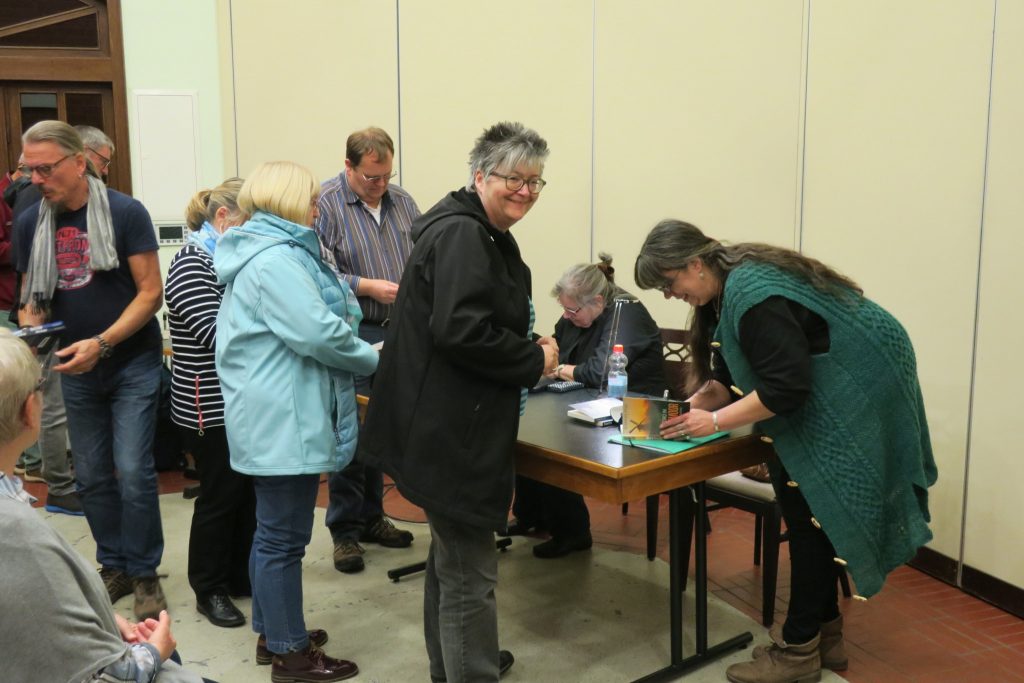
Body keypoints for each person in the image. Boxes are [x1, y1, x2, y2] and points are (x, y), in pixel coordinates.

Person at [634, 219, 937, 683]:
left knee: (811, 517)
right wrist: (689, 409)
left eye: (669, 283)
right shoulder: (724, 293)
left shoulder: (753, 294)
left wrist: (713, 423)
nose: (670, 295)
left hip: (862, 384)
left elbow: (785, 389)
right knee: (806, 518)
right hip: (821, 385)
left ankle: (797, 653)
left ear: (694, 264)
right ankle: (826, 639)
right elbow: (728, 380)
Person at [360, 122, 558, 683]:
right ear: (479, 176)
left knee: (450, 566)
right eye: (513, 179)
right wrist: (533, 359)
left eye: (536, 182)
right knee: (472, 573)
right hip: (452, 432)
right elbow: (462, 332)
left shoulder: (471, 229)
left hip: (440, 425)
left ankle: (452, 668)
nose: (525, 191)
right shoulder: (465, 235)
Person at [214, 160, 377, 682]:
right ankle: (290, 654)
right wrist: (376, 359)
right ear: (286, 201)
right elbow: (320, 334)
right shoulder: (277, 261)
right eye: (309, 198)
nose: (316, 207)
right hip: (285, 418)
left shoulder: (264, 252)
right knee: (283, 540)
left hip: (275, 414)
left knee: (272, 534)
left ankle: (272, 631)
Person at [14, 120, 167, 620]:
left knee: (133, 472)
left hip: (131, 361)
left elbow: (150, 292)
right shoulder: (30, 219)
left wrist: (102, 342)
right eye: (29, 168)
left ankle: (144, 574)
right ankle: (114, 564)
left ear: (79, 162)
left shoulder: (125, 212)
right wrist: (30, 335)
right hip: (73, 367)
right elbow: (31, 298)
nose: (36, 178)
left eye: (46, 168)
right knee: (94, 475)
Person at [0, 328, 208, 683]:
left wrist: (100, 621)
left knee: (130, 471)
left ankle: (139, 574)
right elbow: (112, 675)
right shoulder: (16, 533)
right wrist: (152, 652)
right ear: (30, 410)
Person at [314, 126, 421, 574]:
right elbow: (317, 271)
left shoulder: (404, 202)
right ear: (349, 167)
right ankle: (345, 532)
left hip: (400, 333)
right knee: (351, 434)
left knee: (384, 430)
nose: (380, 185)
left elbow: (423, 254)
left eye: (386, 175)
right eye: (371, 177)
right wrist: (365, 285)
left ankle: (375, 517)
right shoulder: (325, 204)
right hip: (354, 331)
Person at [511, 253, 666, 559]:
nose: (567, 316)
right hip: (584, 397)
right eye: (564, 309)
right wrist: (550, 348)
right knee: (523, 427)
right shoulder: (579, 312)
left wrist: (556, 368)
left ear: (597, 300)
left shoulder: (626, 312)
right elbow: (558, 342)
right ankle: (532, 516)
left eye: (572, 310)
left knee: (555, 439)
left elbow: (601, 372)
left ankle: (573, 532)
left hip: (636, 410)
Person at [165, 179, 256, 629]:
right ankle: (209, 588)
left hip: (236, 398)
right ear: (223, 219)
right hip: (207, 403)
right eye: (249, 223)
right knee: (220, 497)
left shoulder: (223, 259)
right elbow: (221, 338)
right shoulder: (191, 264)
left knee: (245, 494)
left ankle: (239, 575)